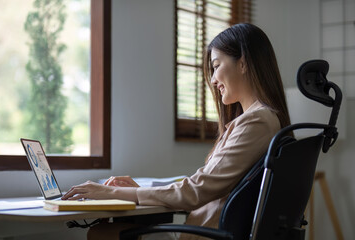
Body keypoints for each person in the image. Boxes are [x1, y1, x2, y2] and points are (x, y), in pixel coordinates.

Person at [62, 23, 292, 240]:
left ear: (243, 63)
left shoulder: (257, 122)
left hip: (205, 235)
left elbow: (194, 192)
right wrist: (139, 191)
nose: (212, 80)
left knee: (102, 234)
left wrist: (109, 193)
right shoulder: (260, 121)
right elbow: (200, 187)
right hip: (207, 231)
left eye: (216, 66)